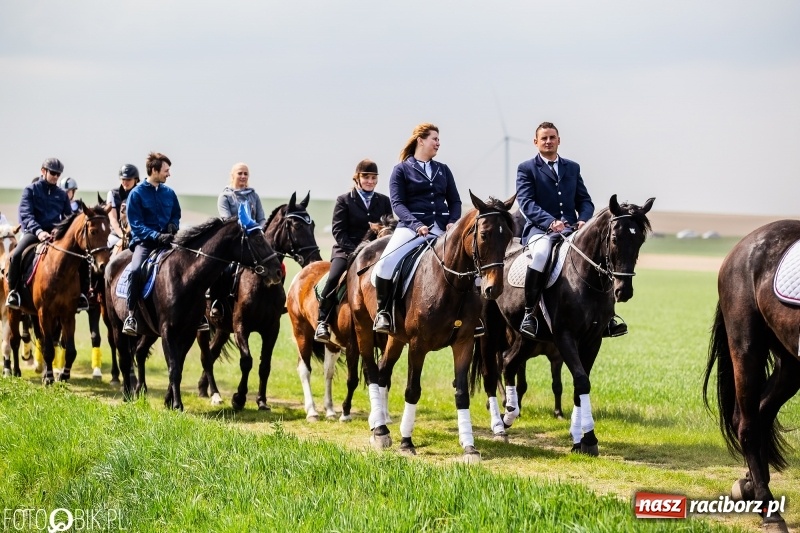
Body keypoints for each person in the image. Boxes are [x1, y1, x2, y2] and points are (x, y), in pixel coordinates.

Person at [516, 121, 626, 339]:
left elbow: (584, 200)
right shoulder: (526, 168)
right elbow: (526, 203)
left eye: (552, 137)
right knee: (540, 256)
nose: (548, 141)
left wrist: (584, 219)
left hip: (571, 230)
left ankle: (608, 317)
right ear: (536, 142)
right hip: (540, 231)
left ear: (559, 140)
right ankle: (529, 314)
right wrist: (549, 222)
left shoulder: (572, 167)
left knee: (600, 258)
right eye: (544, 138)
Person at [372, 123, 462, 334]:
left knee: (467, 264)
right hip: (411, 229)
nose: (438, 143)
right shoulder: (401, 170)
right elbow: (397, 204)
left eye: (439, 139)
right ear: (420, 140)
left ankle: (472, 315)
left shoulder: (443, 170)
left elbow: (455, 201)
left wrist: (452, 220)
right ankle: (383, 311)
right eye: (435, 139)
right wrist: (416, 224)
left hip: (442, 228)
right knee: (385, 265)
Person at [314, 159, 393, 342]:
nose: (370, 181)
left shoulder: (384, 201)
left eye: (374, 178)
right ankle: (322, 321)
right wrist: (355, 251)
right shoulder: (344, 200)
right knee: (334, 277)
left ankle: (388, 316)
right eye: (366, 177)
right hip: (346, 250)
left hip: (377, 252)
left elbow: (390, 225)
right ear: (357, 178)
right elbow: (338, 231)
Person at [122, 152, 185, 335]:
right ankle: (131, 315)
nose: (169, 174)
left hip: (169, 242)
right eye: (166, 170)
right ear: (155, 170)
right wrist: (157, 236)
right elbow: (136, 226)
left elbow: (176, 214)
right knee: (135, 271)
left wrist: (173, 225)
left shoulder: (170, 193)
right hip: (145, 244)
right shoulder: (136, 194)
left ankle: (198, 315)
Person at [5, 158, 74, 310]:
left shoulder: (62, 195)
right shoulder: (30, 190)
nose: (56, 176)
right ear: (43, 171)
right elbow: (26, 215)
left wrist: (60, 229)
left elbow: (69, 217)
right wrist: (39, 231)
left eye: (58, 174)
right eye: (53, 173)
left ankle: (82, 294)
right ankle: (13, 292)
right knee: (15, 256)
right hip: (34, 233)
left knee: (77, 255)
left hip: (55, 235)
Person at [206, 162, 267, 318]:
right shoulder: (225, 197)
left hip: (253, 243)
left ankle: (274, 302)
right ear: (232, 175)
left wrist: (258, 231)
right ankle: (217, 302)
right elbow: (227, 221)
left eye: (246, 174)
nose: (243, 176)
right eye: (240, 173)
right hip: (234, 243)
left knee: (276, 265)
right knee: (223, 269)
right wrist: (246, 231)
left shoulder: (254, 195)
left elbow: (261, 219)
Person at [55, 176, 91, 312]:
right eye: (65, 191)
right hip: (57, 240)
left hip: (74, 245)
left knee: (84, 262)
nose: (67, 194)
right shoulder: (56, 204)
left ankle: (83, 293)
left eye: (69, 191)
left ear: (73, 192)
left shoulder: (79, 207)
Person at [107, 164, 140, 249]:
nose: (125, 182)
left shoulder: (140, 194)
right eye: (123, 179)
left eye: (128, 179)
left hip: (136, 233)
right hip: (116, 234)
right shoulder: (112, 194)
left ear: (136, 180)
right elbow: (113, 219)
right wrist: (122, 235)